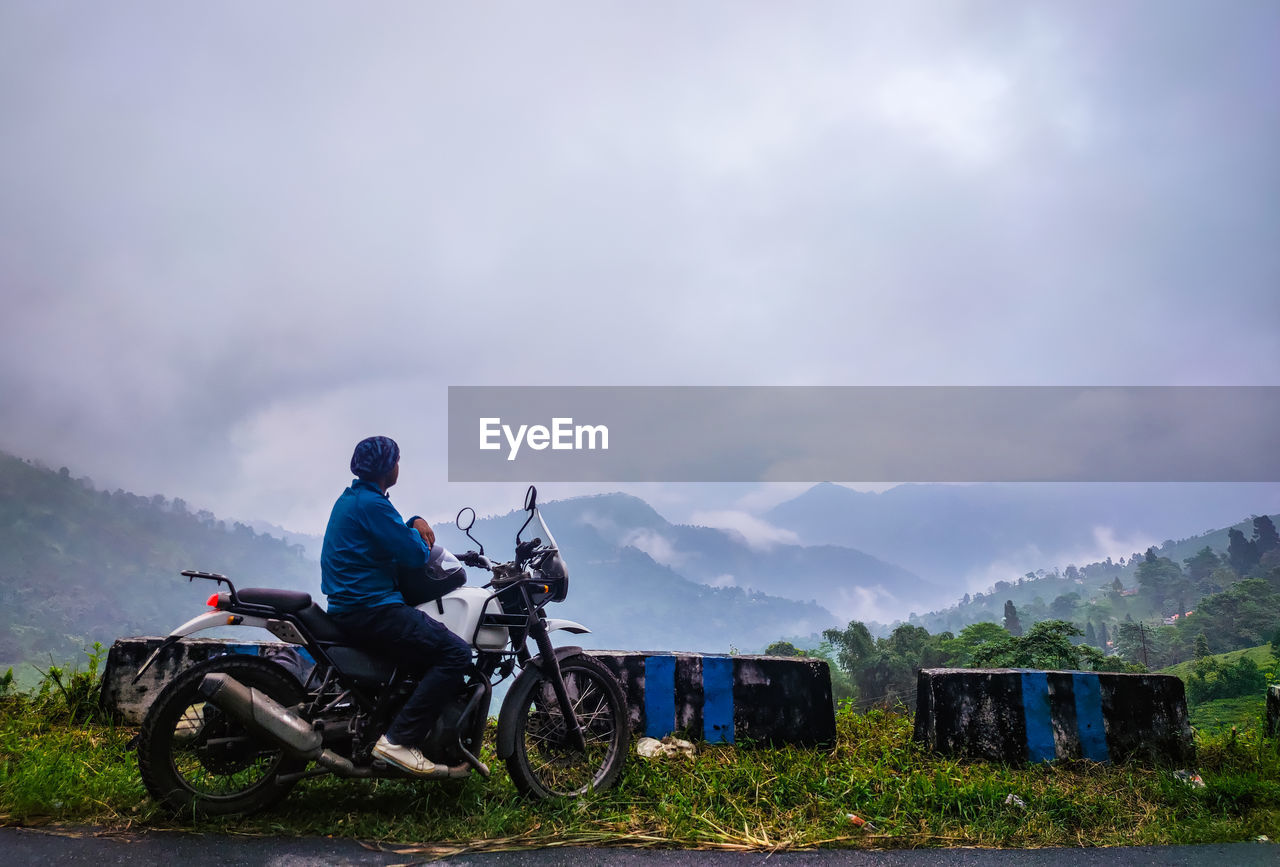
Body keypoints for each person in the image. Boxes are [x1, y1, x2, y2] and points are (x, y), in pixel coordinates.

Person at [320, 435, 471, 777]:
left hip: (351, 606)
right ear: (389, 468)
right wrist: (418, 525)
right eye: (397, 461)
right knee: (456, 654)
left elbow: (389, 535)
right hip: (372, 609)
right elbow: (415, 553)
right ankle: (399, 741)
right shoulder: (373, 505)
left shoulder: (355, 499)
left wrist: (412, 521)